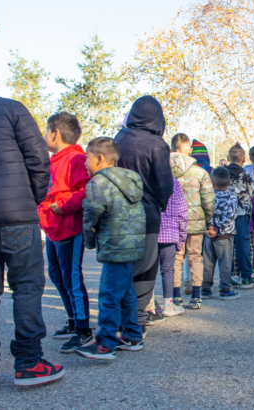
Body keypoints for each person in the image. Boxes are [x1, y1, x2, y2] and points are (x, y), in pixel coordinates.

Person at [0, 44, 64, 390]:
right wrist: (29, 200)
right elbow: (39, 163)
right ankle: (29, 363)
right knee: (27, 286)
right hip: (18, 215)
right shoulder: (12, 110)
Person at [75, 137, 146, 360]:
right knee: (125, 292)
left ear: (99, 158)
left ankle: (105, 342)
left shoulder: (98, 182)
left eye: (87, 158)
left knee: (108, 294)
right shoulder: (131, 180)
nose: (85, 163)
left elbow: (91, 215)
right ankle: (133, 335)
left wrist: (89, 240)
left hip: (115, 246)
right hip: (132, 244)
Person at [114, 96, 174, 333]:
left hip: (119, 215)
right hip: (147, 213)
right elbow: (164, 185)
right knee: (146, 267)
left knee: (122, 267)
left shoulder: (119, 138)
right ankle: (137, 318)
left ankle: (120, 316)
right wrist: (159, 204)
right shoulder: (157, 145)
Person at [38, 113, 92, 353]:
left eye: (46, 131)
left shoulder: (76, 158)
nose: (44, 136)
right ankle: (72, 321)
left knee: (71, 276)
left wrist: (63, 207)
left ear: (55, 132)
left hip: (69, 226)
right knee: (56, 275)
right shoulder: (53, 160)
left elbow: (86, 190)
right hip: (52, 229)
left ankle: (83, 330)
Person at [170, 133, 215, 309]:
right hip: (196, 222)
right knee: (196, 257)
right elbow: (208, 200)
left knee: (175, 259)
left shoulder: (165, 171)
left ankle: (175, 296)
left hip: (173, 223)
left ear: (172, 149)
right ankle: (196, 296)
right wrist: (208, 219)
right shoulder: (200, 173)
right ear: (190, 151)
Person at [226, 143, 254, 289]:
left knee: (226, 247)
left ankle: (228, 277)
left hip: (225, 215)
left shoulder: (221, 173)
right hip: (242, 215)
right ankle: (246, 276)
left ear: (228, 158)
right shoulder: (246, 176)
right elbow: (253, 198)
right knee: (243, 245)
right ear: (244, 159)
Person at [201, 168, 239, 300]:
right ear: (229, 183)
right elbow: (230, 215)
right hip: (225, 235)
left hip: (208, 234)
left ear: (212, 183)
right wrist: (219, 229)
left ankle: (205, 289)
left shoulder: (208, 196)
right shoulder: (232, 197)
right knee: (225, 264)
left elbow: (205, 212)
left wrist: (210, 228)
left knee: (208, 263)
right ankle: (225, 289)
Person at [158, 178, 188, 316]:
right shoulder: (174, 182)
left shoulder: (144, 176)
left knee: (146, 271)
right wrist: (181, 239)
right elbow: (182, 212)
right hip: (169, 233)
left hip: (149, 231)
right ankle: (168, 305)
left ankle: (147, 306)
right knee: (168, 270)